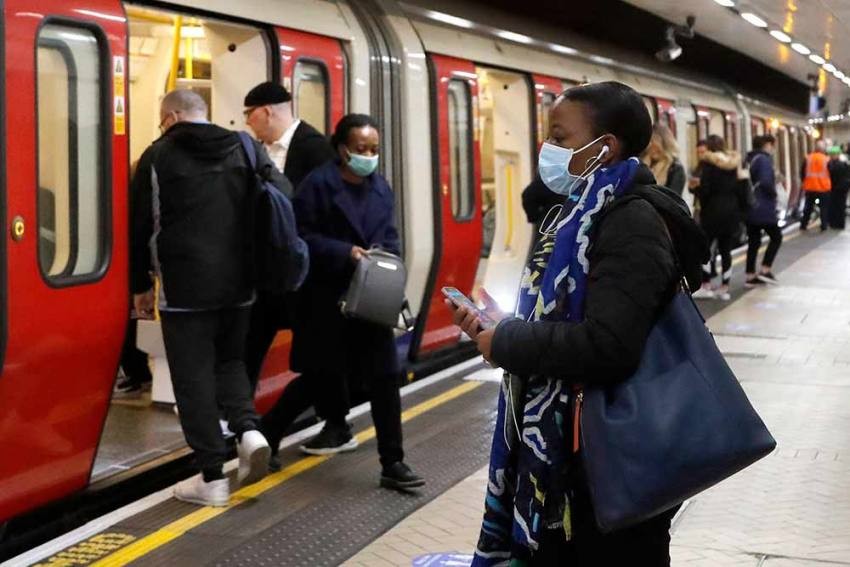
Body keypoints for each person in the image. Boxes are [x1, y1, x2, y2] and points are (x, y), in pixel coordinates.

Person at [451, 82, 706, 566]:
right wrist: (501, 326)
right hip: (578, 462)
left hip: (609, 464)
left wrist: (507, 341)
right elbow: (576, 318)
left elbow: (609, 345)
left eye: (560, 138)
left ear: (603, 148)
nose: (548, 149)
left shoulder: (630, 222)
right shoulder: (580, 216)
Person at [131, 89, 280, 507]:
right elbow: (280, 191)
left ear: (173, 116)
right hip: (240, 284)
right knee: (230, 361)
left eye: (163, 121)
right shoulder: (246, 146)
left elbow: (140, 223)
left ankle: (212, 476)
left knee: (192, 377)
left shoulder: (157, 156)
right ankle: (248, 431)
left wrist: (139, 286)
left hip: (183, 289)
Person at [279, 113, 424, 490]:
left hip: (370, 298)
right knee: (318, 376)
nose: (369, 156)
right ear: (342, 149)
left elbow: (390, 234)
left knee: (385, 378)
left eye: (374, 149)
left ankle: (393, 463)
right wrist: (345, 252)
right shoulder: (317, 185)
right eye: (361, 149)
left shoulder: (380, 188)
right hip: (327, 298)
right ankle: (266, 434)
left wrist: (383, 257)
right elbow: (300, 236)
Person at [242, 82, 335, 393]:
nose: (246, 122)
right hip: (269, 269)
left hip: (304, 268)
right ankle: (239, 413)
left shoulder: (315, 148)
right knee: (251, 340)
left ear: (266, 112)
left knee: (314, 351)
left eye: (248, 114)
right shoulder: (259, 150)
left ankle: (334, 420)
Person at [691, 135, 744, 301]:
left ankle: (706, 285)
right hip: (731, 212)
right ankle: (725, 287)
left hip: (712, 212)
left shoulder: (708, 164)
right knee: (726, 250)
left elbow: (705, 190)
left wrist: (695, 189)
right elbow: (739, 188)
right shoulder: (733, 164)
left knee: (707, 249)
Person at [744, 135, 782, 287]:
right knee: (776, 237)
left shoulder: (749, 159)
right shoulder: (764, 160)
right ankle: (765, 270)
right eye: (772, 145)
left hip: (750, 206)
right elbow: (766, 182)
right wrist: (774, 194)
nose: (773, 149)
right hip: (763, 206)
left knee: (754, 241)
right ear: (767, 145)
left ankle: (750, 275)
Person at [642, 122, 686, 195]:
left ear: (665, 144)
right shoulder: (644, 164)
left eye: (654, 143)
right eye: (649, 143)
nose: (650, 147)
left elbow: (673, 199)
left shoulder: (675, 168)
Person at [800, 140, 832, 231]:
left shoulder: (808, 158)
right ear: (823, 149)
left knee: (808, 208)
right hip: (823, 188)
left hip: (810, 187)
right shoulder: (827, 159)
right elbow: (831, 172)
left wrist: (804, 182)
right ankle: (824, 225)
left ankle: (803, 225)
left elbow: (802, 172)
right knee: (824, 208)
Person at [827, 146, 849, 229]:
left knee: (835, 206)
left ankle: (835, 223)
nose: (832, 156)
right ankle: (839, 224)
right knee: (840, 206)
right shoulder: (844, 163)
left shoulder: (832, 165)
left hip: (836, 188)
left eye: (833, 154)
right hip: (842, 188)